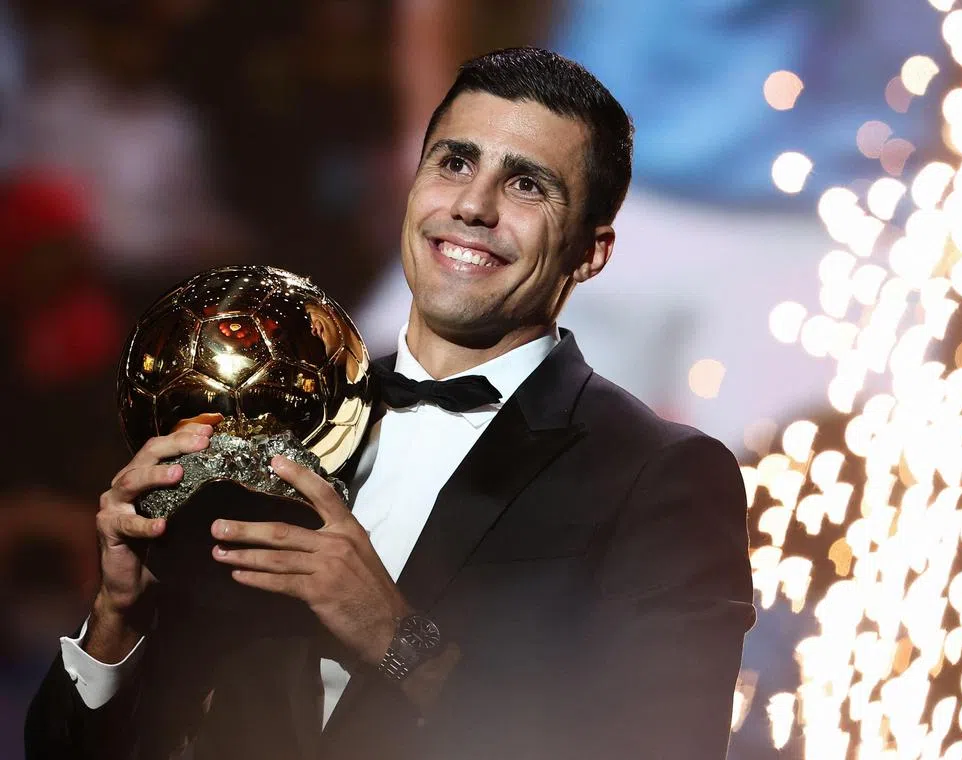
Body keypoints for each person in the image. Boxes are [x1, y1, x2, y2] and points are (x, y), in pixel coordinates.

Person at [25, 48, 755, 760]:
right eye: (454, 162)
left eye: (528, 185)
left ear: (591, 252)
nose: (473, 205)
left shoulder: (661, 478)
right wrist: (117, 620)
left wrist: (399, 639)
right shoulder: (271, 419)